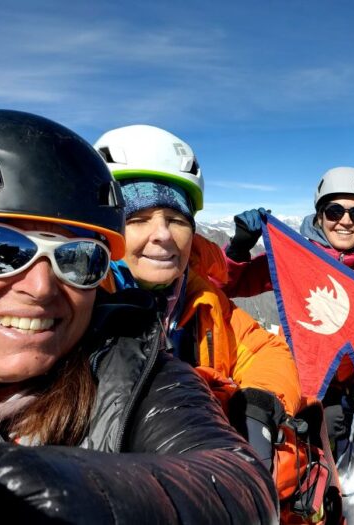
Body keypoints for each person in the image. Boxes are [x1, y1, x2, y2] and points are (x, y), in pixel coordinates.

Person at [0, 109, 277, 523]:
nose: (41, 287)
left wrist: (258, 399)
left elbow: (237, 478)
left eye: (77, 259)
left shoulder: (132, 354)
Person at [93, 125, 303, 475]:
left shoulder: (201, 297)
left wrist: (260, 401)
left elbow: (262, 349)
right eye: (137, 219)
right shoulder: (73, 302)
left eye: (176, 220)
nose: (162, 235)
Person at [224, 167, 354, 459]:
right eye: (335, 211)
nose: (345, 221)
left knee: (328, 441)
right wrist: (237, 249)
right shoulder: (294, 257)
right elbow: (228, 283)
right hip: (297, 370)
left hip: (346, 379)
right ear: (320, 216)